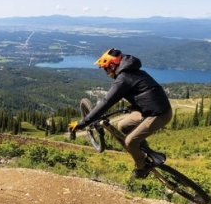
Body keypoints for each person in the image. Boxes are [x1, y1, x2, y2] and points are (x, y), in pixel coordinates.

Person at [69, 48, 173, 179]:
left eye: (106, 69)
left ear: (112, 66)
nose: (106, 73)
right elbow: (146, 91)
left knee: (130, 142)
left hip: (159, 114)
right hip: (149, 110)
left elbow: (106, 103)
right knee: (123, 126)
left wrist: (82, 123)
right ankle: (145, 152)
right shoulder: (133, 71)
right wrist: (134, 105)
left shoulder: (123, 79)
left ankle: (143, 167)